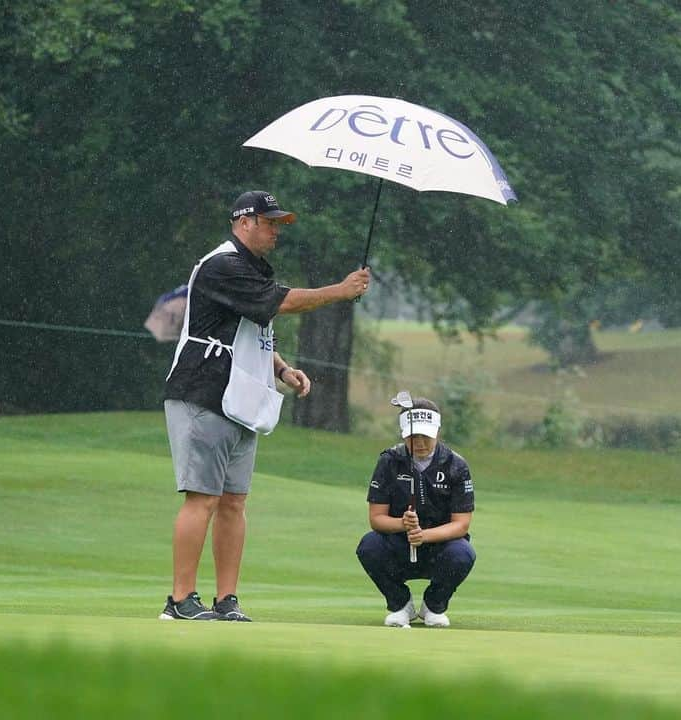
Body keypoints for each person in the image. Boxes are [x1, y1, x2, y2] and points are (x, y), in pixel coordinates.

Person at [160, 190, 371, 621]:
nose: (277, 230)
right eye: (270, 222)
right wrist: (341, 290)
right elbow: (283, 303)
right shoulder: (223, 264)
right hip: (204, 391)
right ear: (245, 222)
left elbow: (248, 329)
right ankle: (180, 601)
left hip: (242, 396)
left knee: (234, 501)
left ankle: (226, 601)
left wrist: (281, 368)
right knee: (202, 498)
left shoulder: (250, 269)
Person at [356, 397, 476, 627]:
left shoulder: (455, 465)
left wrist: (424, 535)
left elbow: (461, 524)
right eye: (413, 436)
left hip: (440, 548)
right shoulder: (389, 462)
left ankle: (433, 606)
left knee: (463, 553)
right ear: (403, 433)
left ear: (437, 432)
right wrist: (403, 524)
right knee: (369, 545)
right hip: (398, 546)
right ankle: (400, 604)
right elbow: (376, 519)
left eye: (426, 436)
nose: (419, 442)